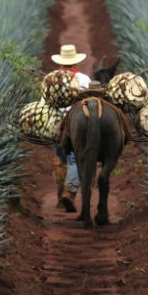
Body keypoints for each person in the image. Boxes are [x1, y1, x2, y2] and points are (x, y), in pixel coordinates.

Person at [50, 44, 91, 211]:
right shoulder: (84, 79)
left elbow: (45, 103)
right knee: (75, 158)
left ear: (60, 63)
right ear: (76, 63)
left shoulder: (52, 78)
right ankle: (70, 192)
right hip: (79, 122)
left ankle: (61, 194)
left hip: (58, 122)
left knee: (60, 157)